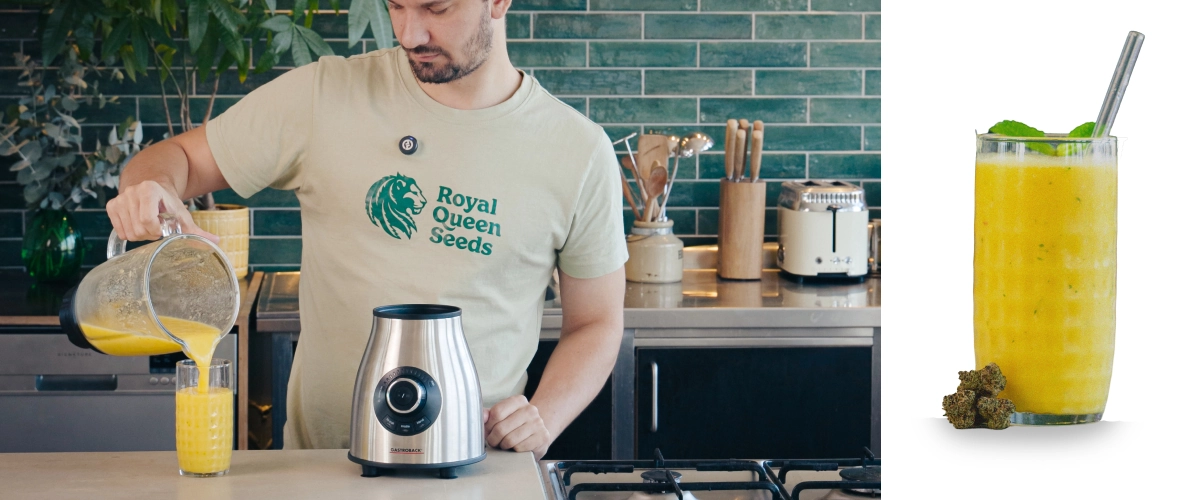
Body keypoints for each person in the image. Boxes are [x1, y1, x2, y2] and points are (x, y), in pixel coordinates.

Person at [104, 0, 627, 459]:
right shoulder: (326, 96)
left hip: (476, 467)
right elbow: (170, 160)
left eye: (436, 9)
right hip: (322, 471)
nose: (409, 34)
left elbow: (598, 322)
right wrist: (152, 188)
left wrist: (544, 417)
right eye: (396, 6)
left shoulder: (577, 151)